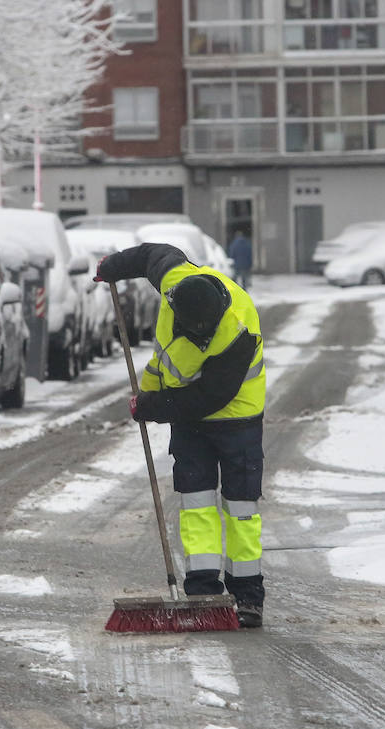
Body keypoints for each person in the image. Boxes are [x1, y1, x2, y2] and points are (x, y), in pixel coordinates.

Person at [95, 242, 267, 627]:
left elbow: (210, 396)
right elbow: (151, 254)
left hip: (237, 418)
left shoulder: (237, 329)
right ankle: (203, 590)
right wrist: (113, 267)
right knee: (197, 500)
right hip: (188, 419)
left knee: (240, 507)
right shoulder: (177, 280)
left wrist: (152, 407)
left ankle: (247, 594)